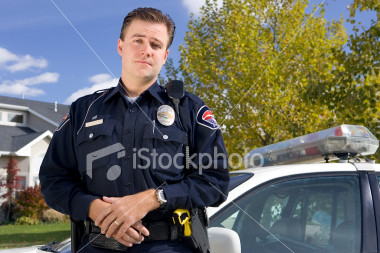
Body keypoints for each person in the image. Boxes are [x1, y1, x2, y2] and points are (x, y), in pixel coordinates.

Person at [39, 7, 229, 253]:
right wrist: (95, 208)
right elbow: (54, 181)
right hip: (98, 244)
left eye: (155, 44)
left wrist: (151, 199)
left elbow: (215, 182)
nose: (146, 50)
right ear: (121, 46)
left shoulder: (189, 110)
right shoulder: (83, 111)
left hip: (168, 246)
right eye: (137, 40)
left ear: (164, 55)